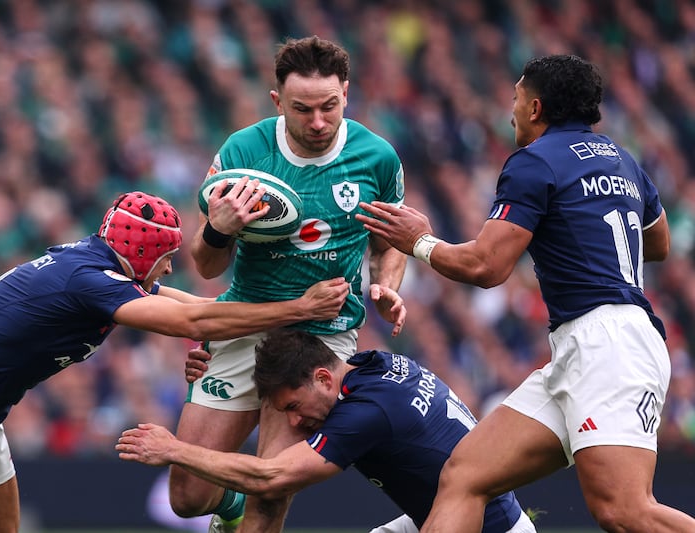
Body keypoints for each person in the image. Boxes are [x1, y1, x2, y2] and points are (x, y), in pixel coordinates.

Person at [356, 55, 695, 532]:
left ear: (535, 107)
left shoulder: (534, 162)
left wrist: (419, 242)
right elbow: (656, 244)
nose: (510, 110)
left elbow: (486, 266)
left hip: (609, 346)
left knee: (624, 511)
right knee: (465, 476)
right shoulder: (622, 158)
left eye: (515, 98)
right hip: (589, 347)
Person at [0, 190, 349, 533]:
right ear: (143, 254)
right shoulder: (90, 282)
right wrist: (300, 309)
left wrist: (275, 319)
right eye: (167, 259)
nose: (169, 269)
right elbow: (194, 318)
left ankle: (226, 504)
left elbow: (196, 308)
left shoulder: (100, 268)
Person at [174, 35, 408, 532]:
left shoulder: (378, 158)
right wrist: (220, 228)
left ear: (346, 92)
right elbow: (207, 266)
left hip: (321, 335)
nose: (319, 122)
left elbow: (390, 243)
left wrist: (386, 285)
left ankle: (252, 508)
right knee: (189, 497)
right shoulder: (243, 152)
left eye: (330, 106)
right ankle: (229, 509)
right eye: (304, 110)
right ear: (278, 101)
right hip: (245, 324)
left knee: (272, 488)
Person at [117, 329, 536, 533]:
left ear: (322, 376)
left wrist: (173, 450)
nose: (295, 422)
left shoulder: (365, 414)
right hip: (462, 515)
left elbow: (273, 476)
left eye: (294, 407)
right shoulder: (376, 364)